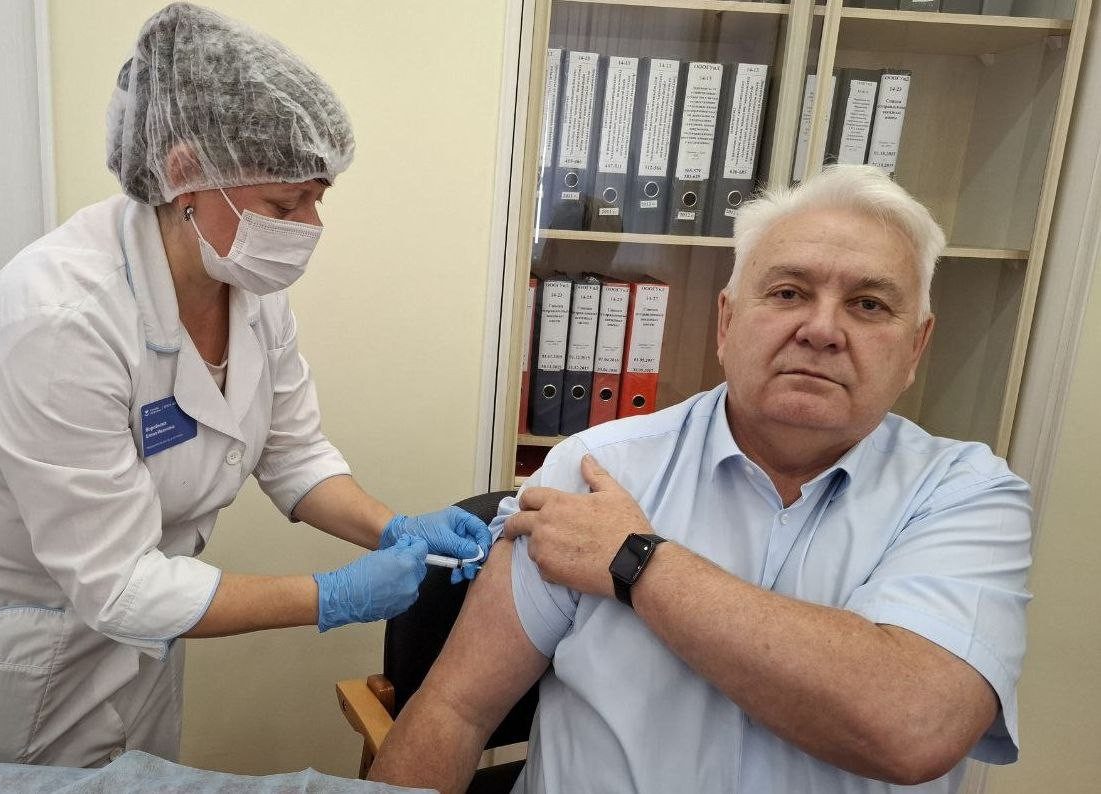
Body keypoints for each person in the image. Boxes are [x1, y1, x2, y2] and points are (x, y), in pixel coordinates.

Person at [0, 2, 490, 768]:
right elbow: (116, 584)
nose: (309, 228)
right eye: (284, 205)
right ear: (185, 174)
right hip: (29, 642)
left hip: (146, 638)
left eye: (317, 199)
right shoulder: (56, 320)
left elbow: (292, 454)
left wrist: (394, 528)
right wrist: (331, 596)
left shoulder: (246, 287)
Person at [369, 165, 1032, 793]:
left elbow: (915, 727)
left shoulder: (966, 495)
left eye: (868, 304)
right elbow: (456, 711)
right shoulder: (595, 468)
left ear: (915, 347)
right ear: (727, 321)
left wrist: (635, 562)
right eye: (788, 293)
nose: (822, 329)